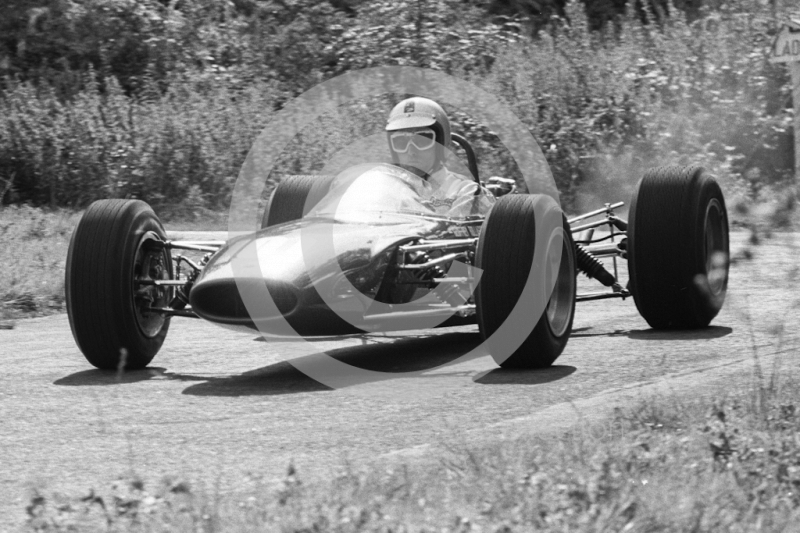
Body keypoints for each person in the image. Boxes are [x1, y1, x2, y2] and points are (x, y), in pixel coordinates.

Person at [384, 97, 495, 216]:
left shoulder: (466, 192)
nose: (411, 151)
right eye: (400, 142)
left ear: (440, 145)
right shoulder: (383, 191)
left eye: (422, 140)